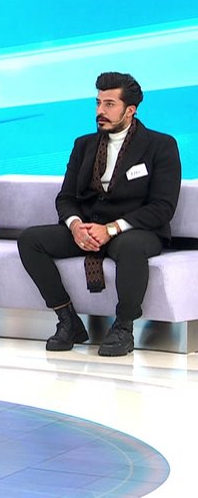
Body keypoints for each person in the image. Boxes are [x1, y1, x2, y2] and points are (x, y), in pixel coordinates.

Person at [18, 72, 181, 357]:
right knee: (31, 240)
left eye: (109, 104)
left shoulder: (160, 145)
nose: (100, 111)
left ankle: (124, 327)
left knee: (130, 247)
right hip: (89, 227)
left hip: (135, 230)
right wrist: (76, 226)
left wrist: (112, 229)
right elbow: (66, 198)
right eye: (98, 103)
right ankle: (68, 320)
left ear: (130, 110)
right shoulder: (84, 145)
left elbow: (162, 207)